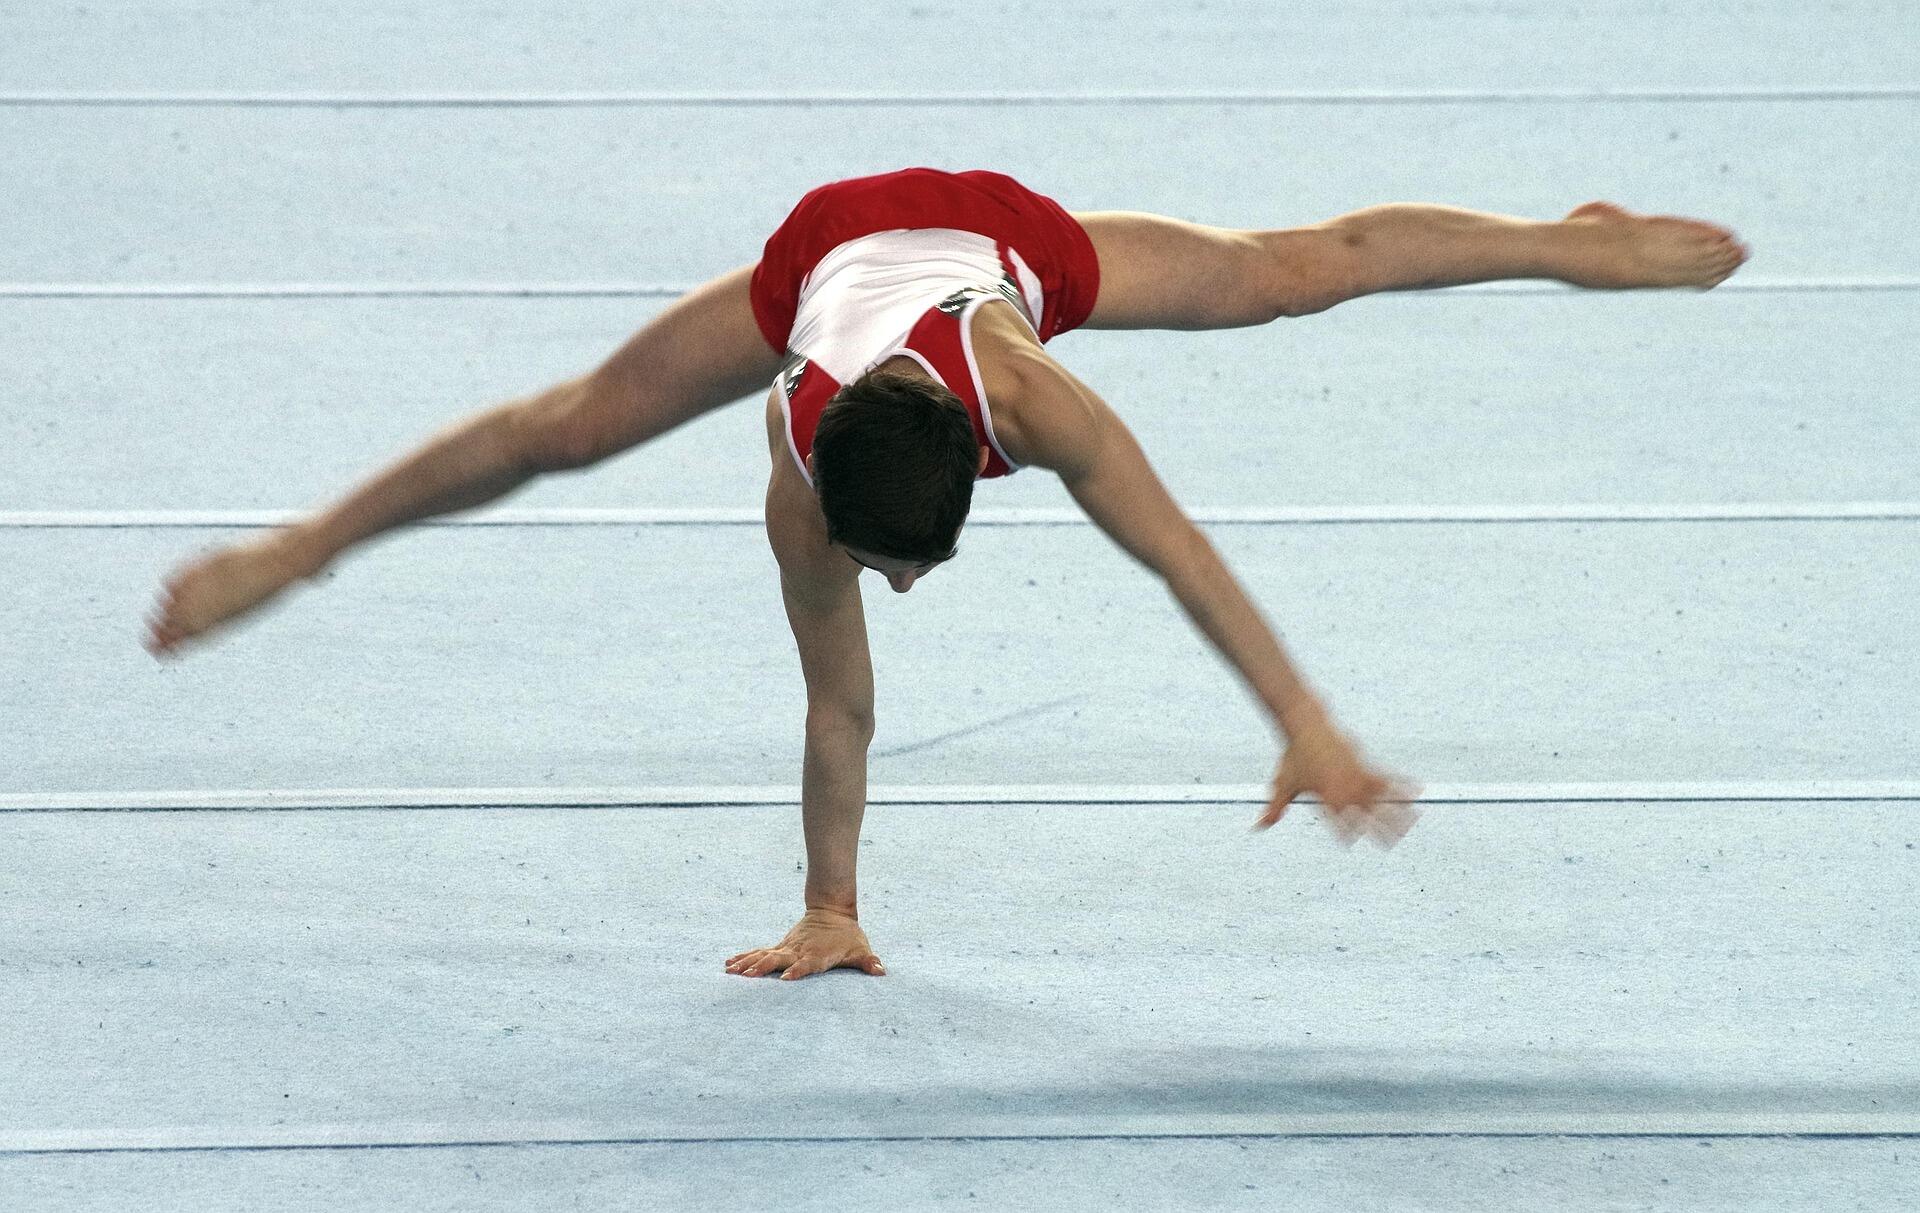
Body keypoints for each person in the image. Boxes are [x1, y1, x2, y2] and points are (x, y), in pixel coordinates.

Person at [144, 166, 1748, 981]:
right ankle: (303, 552)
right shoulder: (793, 450)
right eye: (878, 564)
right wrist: (829, 906)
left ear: (988, 473)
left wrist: (1303, 719)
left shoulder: (1040, 399)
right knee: (567, 429)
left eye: (912, 568)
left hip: (992, 246)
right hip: (822, 260)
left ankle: (1566, 237)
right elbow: (837, 699)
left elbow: (1184, 559)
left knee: (1282, 277)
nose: (894, 591)